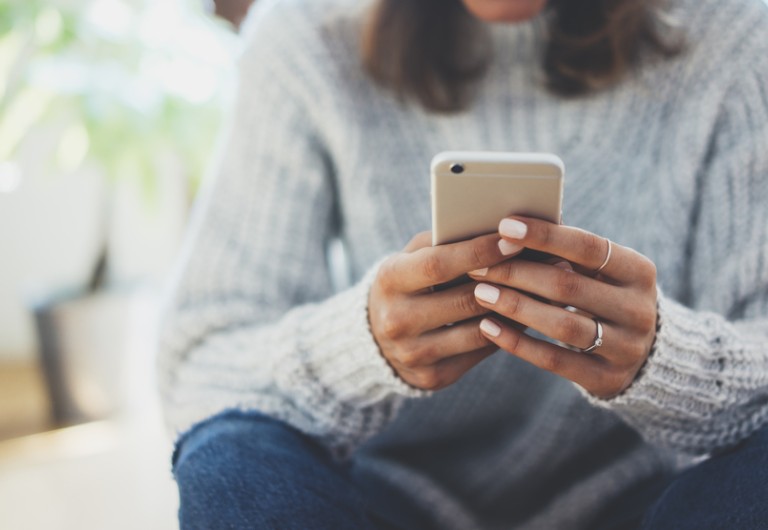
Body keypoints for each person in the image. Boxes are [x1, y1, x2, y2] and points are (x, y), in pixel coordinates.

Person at [159, 0, 768, 528]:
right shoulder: (304, 38)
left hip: (647, 503)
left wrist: (667, 357)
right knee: (231, 455)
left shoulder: (731, 34)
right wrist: (363, 344)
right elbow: (201, 367)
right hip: (376, 504)